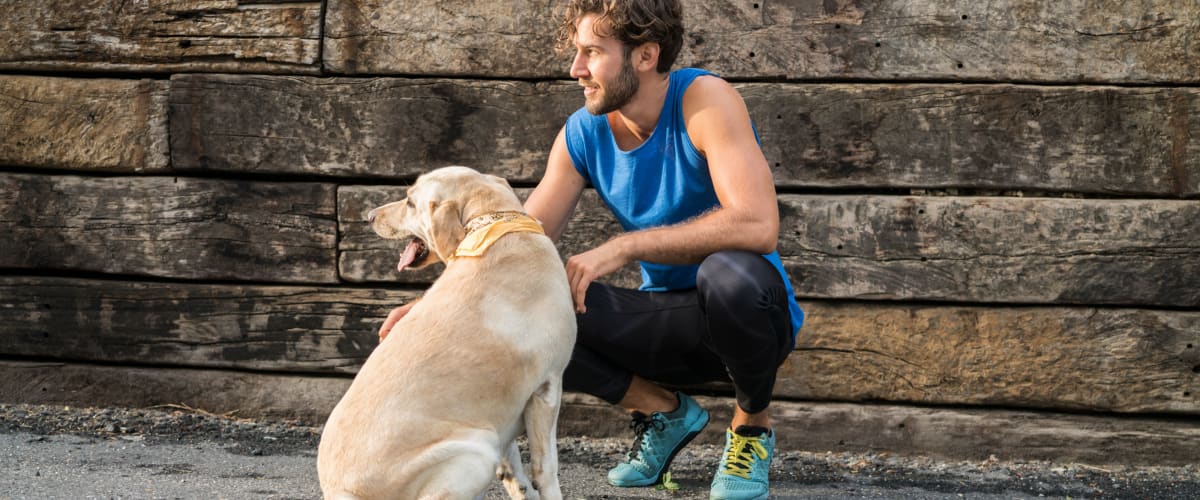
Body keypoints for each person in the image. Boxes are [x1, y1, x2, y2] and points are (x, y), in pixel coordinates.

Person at [378, 1, 803, 497]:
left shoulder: (704, 100)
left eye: (592, 53)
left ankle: (751, 430)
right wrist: (439, 309)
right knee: (536, 303)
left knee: (730, 275)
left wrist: (625, 247)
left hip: (750, 318)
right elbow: (515, 241)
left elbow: (757, 224)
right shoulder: (583, 131)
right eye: (577, 52)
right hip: (665, 325)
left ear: (645, 56)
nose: (576, 69)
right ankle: (662, 410)